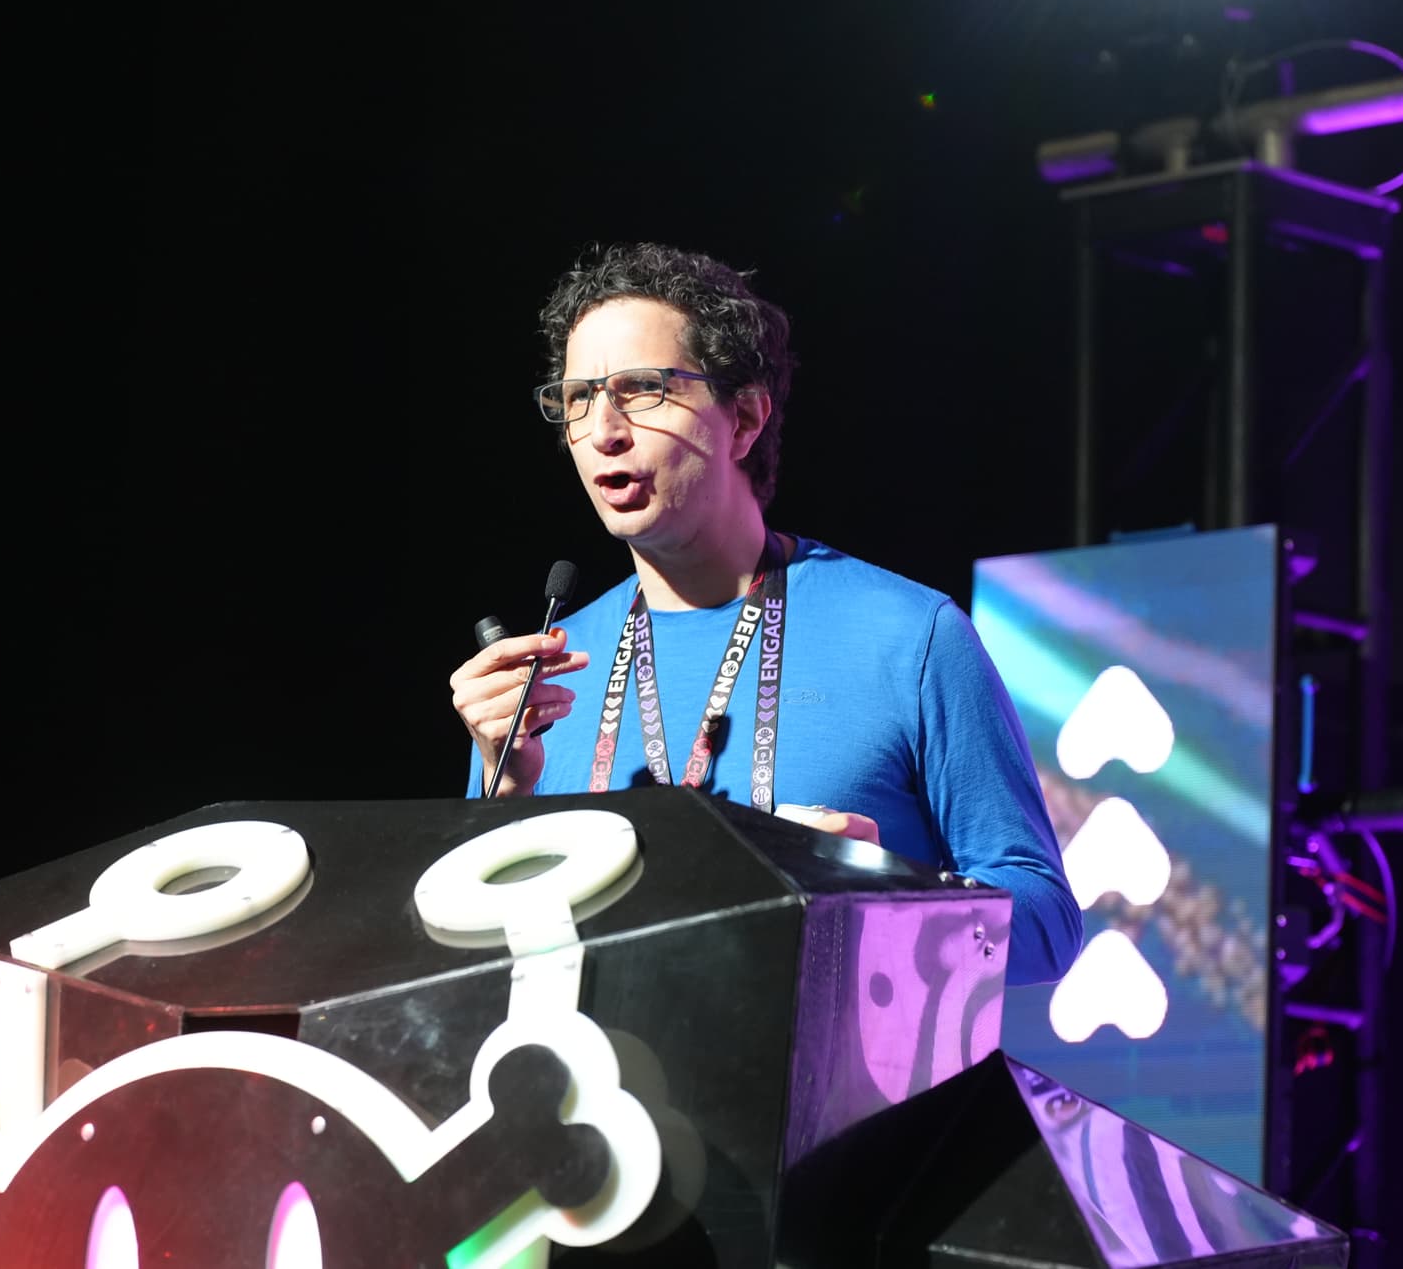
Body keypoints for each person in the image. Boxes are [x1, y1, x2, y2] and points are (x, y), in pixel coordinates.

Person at [449, 241, 1082, 986]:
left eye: (642, 389)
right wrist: (507, 799)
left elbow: (1048, 925)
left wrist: (881, 898)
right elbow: (476, 963)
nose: (601, 430)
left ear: (744, 418)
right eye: (579, 396)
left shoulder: (908, 637)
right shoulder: (544, 676)